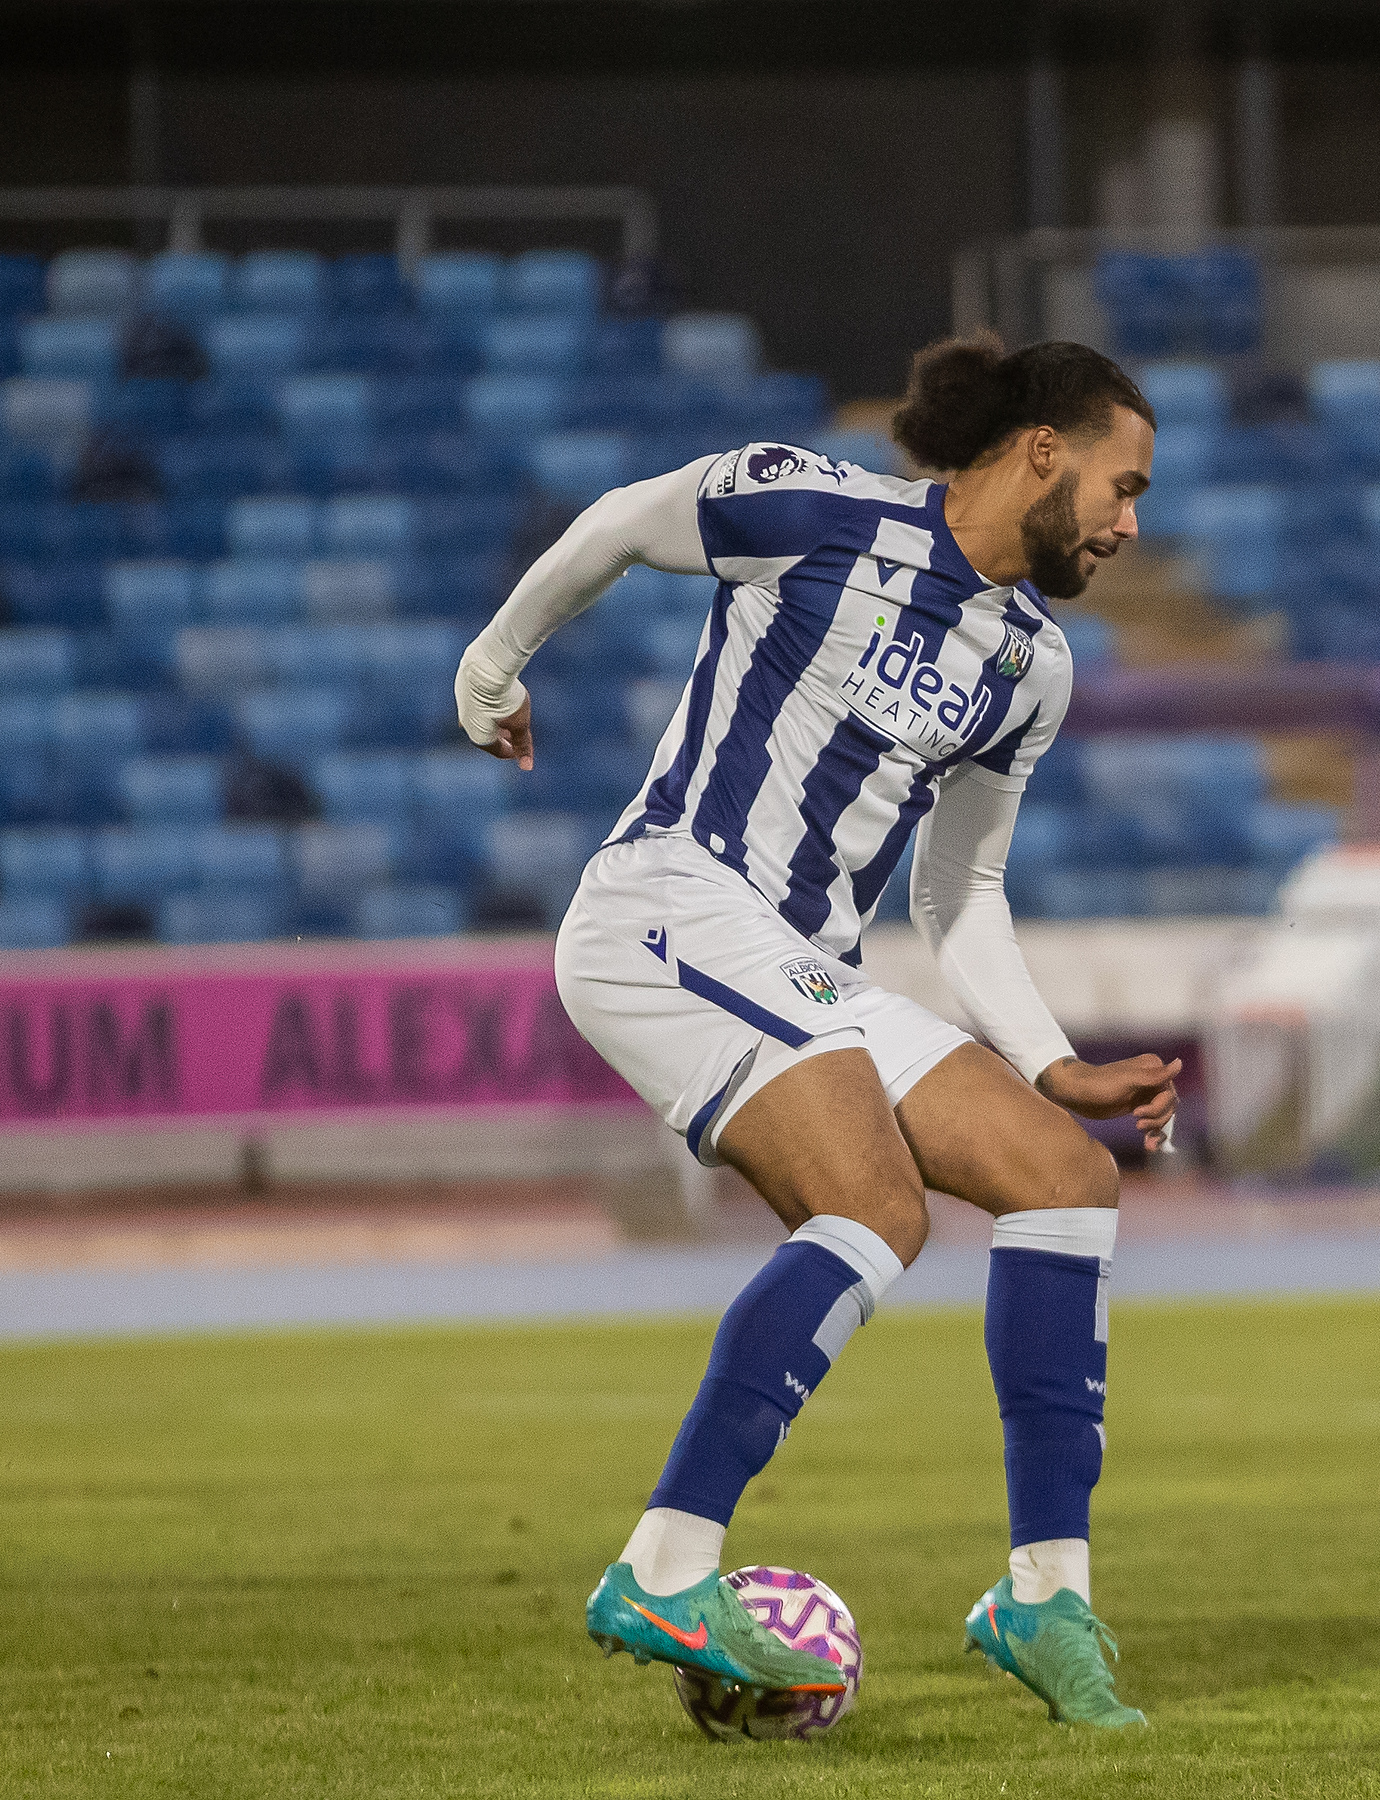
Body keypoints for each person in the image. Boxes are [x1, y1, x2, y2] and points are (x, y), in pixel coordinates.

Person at [453, 333, 1179, 1731]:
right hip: (667, 906)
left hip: (803, 965)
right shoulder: (814, 507)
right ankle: (668, 1566)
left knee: (1066, 1180)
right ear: (1043, 449)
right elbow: (618, 525)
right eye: (1121, 483)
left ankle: (1044, 1598)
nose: (1131, 525)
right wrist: (493, 669)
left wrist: (1052, 1065)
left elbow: (958, 889)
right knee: (873, 1203)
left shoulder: (1029, 664)